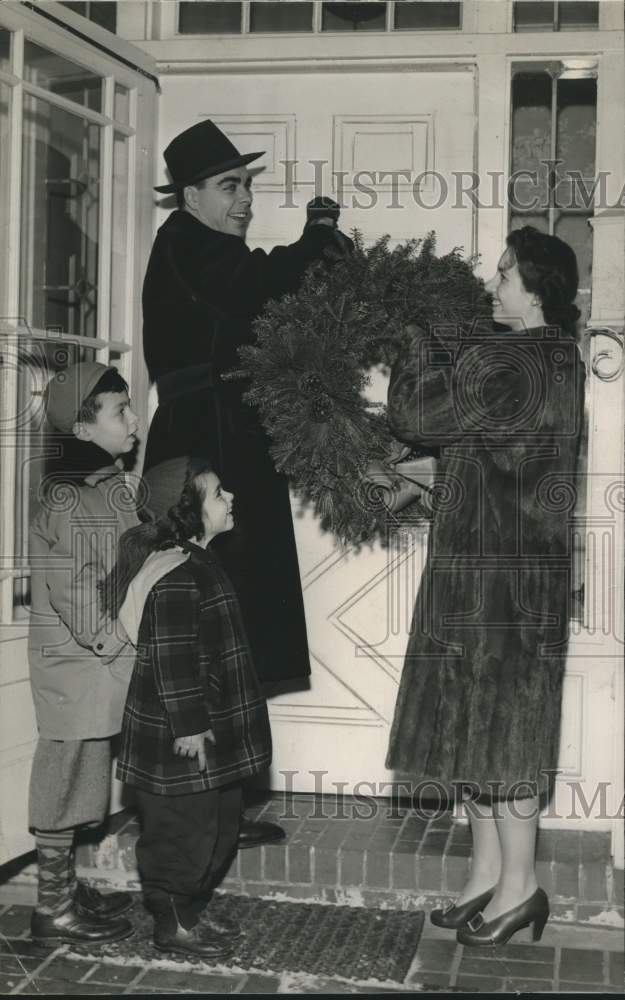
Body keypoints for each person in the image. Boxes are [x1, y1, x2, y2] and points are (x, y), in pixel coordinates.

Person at [142, 119, 352, 848]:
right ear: (189, 196)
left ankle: (223, 808)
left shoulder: (203, 250)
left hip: (227, 438)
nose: (243, 201)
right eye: (229, 186)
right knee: (202, 620)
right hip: (201, 449)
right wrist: (316, 237)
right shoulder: (185, 242)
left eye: (246, 187)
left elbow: (260, 304)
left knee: (231, 618)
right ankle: (199, 813)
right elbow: (258, 282)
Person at [385, 226, 585, 946]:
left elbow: (415, 415)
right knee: (481, 728)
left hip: (502, 585)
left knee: (506, 735)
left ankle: (521, 887)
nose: (491, 284)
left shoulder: (519, 362)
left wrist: (416, 339)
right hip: (496, 576)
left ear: (535, 293)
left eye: (503, 275)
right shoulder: (547, 357)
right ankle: (486, 875)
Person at [102, 456, 272, 959]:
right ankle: (172, 921)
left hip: (206, 725)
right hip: (183, 733)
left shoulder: (197, 561)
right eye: (218, 493)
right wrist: (190, 726)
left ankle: (189, 909)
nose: (230, 497)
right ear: (187, 511)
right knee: (184, 829)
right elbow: (173, 659)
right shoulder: (176, 574)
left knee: (217, 823)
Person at [27, 362, 140, 945]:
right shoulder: (70, 500)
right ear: (82, 429)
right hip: (79, 667)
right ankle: (51, 908)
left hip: (99, 667)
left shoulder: (110, 488)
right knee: (64, 781)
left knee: (87, 779)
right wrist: (122, 646)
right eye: (121, 411)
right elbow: (76, 592)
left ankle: (67, 891)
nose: (133, 420)